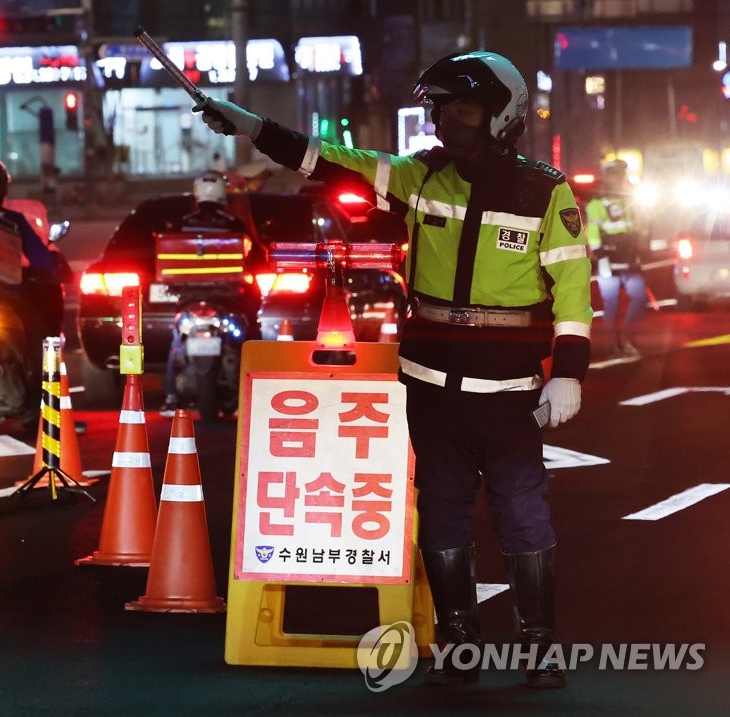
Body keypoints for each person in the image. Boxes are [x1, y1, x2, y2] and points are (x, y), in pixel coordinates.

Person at [198, 50, 592, 689]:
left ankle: (539, 646)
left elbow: (573, 289)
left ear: (502, 116)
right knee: (438, 506)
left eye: (463, 109)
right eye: (441, 109)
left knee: (523, 509)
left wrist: (569, 371)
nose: (448, 122)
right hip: (431, 381)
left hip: (512, 386)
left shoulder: (547, 191)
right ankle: (461, 642)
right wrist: (247, 123)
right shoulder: (417, 176)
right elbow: (324, 157)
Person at [160, 171, 251, 416]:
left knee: (177, 342)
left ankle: (170, 396)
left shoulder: (180, 224)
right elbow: (252, 254)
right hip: (226, 298)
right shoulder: (233, 224)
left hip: (189, 298)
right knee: (244, 338)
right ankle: (249, 395)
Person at [0, 158, 71, 345]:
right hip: (4, 296)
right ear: (2, 188)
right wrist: (56, 263)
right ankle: (45, 370)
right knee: (42, 329)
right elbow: (41, 259)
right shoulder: (11, 220)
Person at [584, 159, 648, 359]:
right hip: (608, 260)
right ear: (607, 177)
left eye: (621, 174)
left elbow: (636, 227)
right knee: (611, 304)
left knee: (639, 297)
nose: (620, 178)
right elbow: (592, 230)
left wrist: (639, 248)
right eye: (616, 174)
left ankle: (627, 339)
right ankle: (612, 346)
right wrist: (599, 254)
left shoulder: (628, 200)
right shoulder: (596, 204)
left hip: (629, 259)